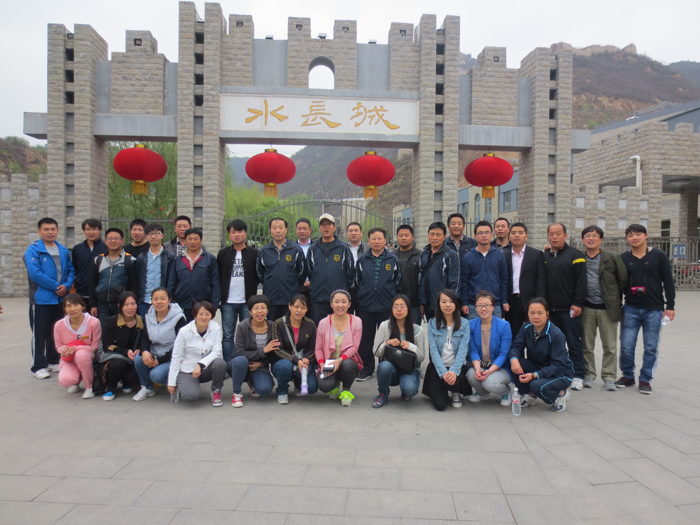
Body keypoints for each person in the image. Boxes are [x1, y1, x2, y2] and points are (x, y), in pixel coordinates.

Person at [616, 224, 675, 395]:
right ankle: (627, 375)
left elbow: (668, 281)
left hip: (654, 309)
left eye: (638, 234)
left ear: (646, 236)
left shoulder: (659, 256)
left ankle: (645, 378)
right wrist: (618, 307)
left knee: (651, 346)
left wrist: (670, 306)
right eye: (630, 235)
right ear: (626, 238)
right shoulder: (623, 258)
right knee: (626, 345)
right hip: (630, 308)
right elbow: (619, 285)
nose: (634, 238)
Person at [25, 218, 75, 378]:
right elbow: (35, 274)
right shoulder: (33, 251)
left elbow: (71, 270)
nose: (50, 232)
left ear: (57, 231)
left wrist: (66, 286)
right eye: (46, 229)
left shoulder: (63, 250)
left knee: (56, 331)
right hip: (41, 299)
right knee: (40, 333)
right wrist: (56, 287)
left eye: (53, 229)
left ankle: (53, 360)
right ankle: (38, 365)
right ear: (39, 231)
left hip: (59, 299)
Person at [580, 226, 628, 391]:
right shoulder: (579, 258)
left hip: (607, 309)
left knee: (610, 346)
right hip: (586, 308)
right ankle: (589, 374)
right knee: (586, 345)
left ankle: (609, 377)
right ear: (583, 239)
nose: (591, 238)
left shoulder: (612, 258)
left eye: (595, 236)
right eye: (587, 236)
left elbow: (622, 280)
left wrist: (614, 299)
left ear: (600, 239)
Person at [508, 297, 574, 412]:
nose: (536, 316)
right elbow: (516, 346)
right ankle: (529, 395)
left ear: (547, 314)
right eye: (532, 313)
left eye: (540, 313)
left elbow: (558, 365)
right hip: (539, 366)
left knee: (536, 386)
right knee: (513, 361)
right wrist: (514, 359)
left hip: (560, 373)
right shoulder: (526, 328)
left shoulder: (556, 334)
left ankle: (561, 394)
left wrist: (535, 375)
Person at [543, 223, 587, 390]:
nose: (554, 237)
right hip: (550, 310)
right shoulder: (545, 256)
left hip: (569, 309)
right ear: (548, 236)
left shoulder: (575, 255)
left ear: (565, 236)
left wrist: (578, 303)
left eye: (558, 233)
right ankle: (557, 372)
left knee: (573, 342)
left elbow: (581, 282)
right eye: (551, 233)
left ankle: (578, 375)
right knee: (552, 343)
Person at [355, 227, 401, 381]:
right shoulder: (362, 260)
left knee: (386, 338)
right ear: (369, 241)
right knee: (366, 339)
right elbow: (358, 281)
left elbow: (397, 281)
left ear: (385, 240)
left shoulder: (392, 259)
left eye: (379, 238)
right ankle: (366, 368)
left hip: (386, 305)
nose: (376, 241)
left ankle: (385, 368)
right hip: (366, 306)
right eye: (373, 239)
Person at [167, 301, 227, 406]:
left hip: (204, 369)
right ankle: (183, 384)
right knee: (192, 396)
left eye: (207, 314)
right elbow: (176, 357)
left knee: (220, 363)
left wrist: (200, 364)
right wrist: (171, 382)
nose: (204, 317)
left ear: (212, 315)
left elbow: (217, 351)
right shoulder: (184, 331)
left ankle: (216, 391)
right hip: (187, 370)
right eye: (201, 314)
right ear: (195, 315)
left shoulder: (215, 328)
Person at [132, 287, 187, 401]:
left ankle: (178, 382)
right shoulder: (148, 316)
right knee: (138, 358)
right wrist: (145, 351)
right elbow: (145, 338)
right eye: (155, 299)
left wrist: (159, 360)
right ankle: (147, 387)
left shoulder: (179, 317)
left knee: (156, 375)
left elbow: (180, 345)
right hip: (155, 353)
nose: (159, 302)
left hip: (172, 357)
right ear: (151, 300)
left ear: (169, 300)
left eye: (163, 298)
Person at [371, 294, 425, 408]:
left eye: (402, 306)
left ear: (408, 309)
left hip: (409, 370)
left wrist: (411, 346)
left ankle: (405, 389)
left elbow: (421, 358)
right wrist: (387, 343)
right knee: (384, 366)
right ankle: (383, 394)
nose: (399, 309)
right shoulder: (385, 326)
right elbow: (375, 352)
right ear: (391, 309)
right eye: (395, 306)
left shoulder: (417, 330)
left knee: (409, 389)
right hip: (391, 369)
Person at [217, 219, 260, 362]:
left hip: (248, 302)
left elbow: (259, 275)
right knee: (228, 335)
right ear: (229, 234)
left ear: (245, 233)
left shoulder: (254, 253)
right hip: (228, 302)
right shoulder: (223, 253)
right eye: (233, 232)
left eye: (240, 231)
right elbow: (218, 275)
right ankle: (229, 363)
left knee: (248, 334)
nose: (236, 235)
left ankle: (245, 362)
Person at [422, 289, 471, 411]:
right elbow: (433, 351)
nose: (448, 305)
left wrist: (453, 371)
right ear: (439, 304)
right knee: (440, 405)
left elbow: (463, 351)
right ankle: (442, 388)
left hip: (456, 368)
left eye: (451, 301)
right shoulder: (432, 323)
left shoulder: (464, 323)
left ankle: (455, 392)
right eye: (444, 302)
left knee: (453, 383)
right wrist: (444, 372)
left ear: (456, 304)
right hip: (438, 368)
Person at [315, 289, 363, 407]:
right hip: (329, 362)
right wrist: (321, 363)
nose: (340, 305)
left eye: (343, 302)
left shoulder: (356, 321)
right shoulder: (323, 323)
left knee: (348, 365)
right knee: (324, 386)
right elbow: (318, 348)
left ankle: (346, 390)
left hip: (346, 360)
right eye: (336, 302)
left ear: (349, 304)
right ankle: (334, 385)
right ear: (331, 304)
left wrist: (340, 360)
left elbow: (355, 347)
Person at [306, 214, 355, 325]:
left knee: (338, 328)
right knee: (318, 328)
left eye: (329, 224)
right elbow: (309, 271)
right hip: (318, 297)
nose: (326, 227)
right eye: (323, 225)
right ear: (319, 228)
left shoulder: (343, 248)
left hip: (338, 299)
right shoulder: (313, 249)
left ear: (334, 227)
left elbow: (350, 272)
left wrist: (342, 286)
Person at [466, 291, 513, 406]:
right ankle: (483, 393)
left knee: (489, 382)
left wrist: (490, 371)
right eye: (480, 305)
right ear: (475, 308)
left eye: (487, 305)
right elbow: (473, 350)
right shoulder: (470, 325)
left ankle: (506, 392)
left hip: (501, 367)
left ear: (493, 307)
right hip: (482, 364)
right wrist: (478, 369)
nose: (483, 309)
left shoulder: (504, 326)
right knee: (471, 375)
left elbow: (503, 354)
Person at [228, 295, 275, 407]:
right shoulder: (243, 326)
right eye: (256, 308)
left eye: (263, 308)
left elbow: (275, 352)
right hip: (239, 364)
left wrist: (261, 363)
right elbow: (240, 352)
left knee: (265, 389)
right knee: (241, 360)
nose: (260, 311)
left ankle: (252, 382)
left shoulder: (272, 326)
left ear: (268, 310)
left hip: (260, 365)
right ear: (250, 311)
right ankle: (236, 393)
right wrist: (263, 351)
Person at [271, 294, 318, 403]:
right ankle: (282, 390)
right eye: (296, 307)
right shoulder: (278, 324)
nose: (299, 310)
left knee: (312, 388)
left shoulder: (310, 325)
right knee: (284, 367)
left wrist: (306, 359)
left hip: (303, 359)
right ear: (289, 306)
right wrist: (296, 360)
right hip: (283, 361)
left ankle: (298, 382)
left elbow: (314, 348)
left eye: (303, 307)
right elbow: (277, 349)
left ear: (307, 309)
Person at [96, 291, 143, 401]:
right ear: (119, 306)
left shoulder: (142, 321)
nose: (130, 307)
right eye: (126, 304)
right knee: (119, 363)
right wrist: (125, 352)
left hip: (133, 358)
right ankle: (111, 387)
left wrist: (139, 350)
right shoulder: (111, 321)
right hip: (114, 357)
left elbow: (145, 341)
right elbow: (107, 344)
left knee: (136, 371)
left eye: (133, 304)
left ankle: (127, 381)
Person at [256, 218, 306, 320]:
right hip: (271, 298)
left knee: (289, 326)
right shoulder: (264, 251)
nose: (278, 231)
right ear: (270, 230)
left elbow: (302, 272)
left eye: (281, 227)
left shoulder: (295, 250)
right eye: (274, 228)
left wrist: (294, 285)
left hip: (290, 298)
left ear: (286, 230)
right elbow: (260, 273)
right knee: (272, 326)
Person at [53, 293, 101, 398]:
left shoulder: (94, 322)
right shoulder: (59, 325)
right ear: (64, 308)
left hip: (87, 356)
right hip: (70, 359)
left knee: (81, 355)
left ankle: (90, 386)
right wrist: (64, 350)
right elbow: (59, 346)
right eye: (68, 306)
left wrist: (75, 348)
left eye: (76, 305)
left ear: (83, 306)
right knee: (66, 380)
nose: (72, 309)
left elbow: (95, 347)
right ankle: (76, 381)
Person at [167, 228, 220, 323]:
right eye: (190, 239)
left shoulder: (209, 259)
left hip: (203, 304)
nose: (193, 242)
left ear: (201, 240)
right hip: (182, 304)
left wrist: (214, 305)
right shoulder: (178, 260)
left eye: (196, 239)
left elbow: (215, 283)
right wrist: (171, 302)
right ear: (185, 240)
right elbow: (171, 283)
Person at [503, 222, 546, 339]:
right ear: (509, 236)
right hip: (511, 302)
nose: (517, 235)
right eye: (513, 233)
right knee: (514, 335)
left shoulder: (536, 254)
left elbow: (541, 279)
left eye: (520, 233)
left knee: (533, 334)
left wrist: (540, 301)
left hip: (531, 300)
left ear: (526, 236)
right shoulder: (505, 255)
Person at [459, 221, 508, 320]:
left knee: (495, 329)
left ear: (492, 235)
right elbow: (464, 282)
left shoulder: (499, 255)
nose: (484, 235)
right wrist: (465, 302)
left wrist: (504, 300)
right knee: (474, 329)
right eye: (480, 233)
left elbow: (504, 280)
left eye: (487, 232)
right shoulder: (468, 257)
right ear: (475, 236)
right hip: (474, 305)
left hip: (495, 304)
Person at [88, 227, 137, 324]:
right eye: (110, 238)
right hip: (102, 306)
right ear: (105, 241)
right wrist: (93, 304)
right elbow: (92, 283)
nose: (113, 241)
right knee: (104, 331)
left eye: (116, 238)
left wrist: (130, 304)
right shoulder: (98, 260)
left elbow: (134, 285)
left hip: (121, 305)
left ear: (122, 241)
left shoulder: (130, 260)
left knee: (121, 330)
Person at [418, 222, 460, 321]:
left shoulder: (451, 255)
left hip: (445, 303)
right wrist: (422, 302)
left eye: (438, 235)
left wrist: (452, 302)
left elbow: (455, 281)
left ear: (444, 237)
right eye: (432, 234)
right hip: (428, 302)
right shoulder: (424, 254)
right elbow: (420, 280)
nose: (434, 238)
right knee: (432, 328)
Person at [135, 223, 176, 319]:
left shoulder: (170, 257)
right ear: (146, 237)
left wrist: (169, 297)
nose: (153, 236)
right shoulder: (141, 257)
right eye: (150, 234)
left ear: (162, 235)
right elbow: (138, 278)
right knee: (145, 326)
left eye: (156, 233)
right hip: (145, 300)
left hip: (163, 301)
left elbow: (172, 279)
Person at [71, 218, 107, 300]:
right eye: (88, 229)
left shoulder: (106, 248)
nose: (91, 232)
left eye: (94, 229)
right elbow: (75, 268)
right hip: (81, 291)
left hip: (101, 291)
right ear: (84, 231)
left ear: (100, 230)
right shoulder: (77, 249)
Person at [394, 224, 422, 323]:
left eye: (406, 235)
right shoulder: (392, 256)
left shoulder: (420, 255)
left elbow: (422, 280)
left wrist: (422, 302)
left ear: (412, 237)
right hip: (396, 302)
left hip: (414, 303)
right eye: (401, 235)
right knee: (396, 330)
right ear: (397, 237)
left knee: (413, 330)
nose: (403, 238)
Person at [346, 222, 369, 314]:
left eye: (356, 230)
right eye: (351, 231)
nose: (353, 233)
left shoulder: (368, 249)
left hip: (364, 291)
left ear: (361, 233)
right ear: (347, 234)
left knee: (363, 318)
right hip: (347, 291)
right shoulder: (342, 248)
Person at [296, 218, 313, 301]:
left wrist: (311, 281)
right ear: (296, 230)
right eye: (299, 229)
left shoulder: (316, 247)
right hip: (295, 289)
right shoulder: (291, 248)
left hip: (314, 288)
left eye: (304, 229)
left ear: (310, 230)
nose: (302, 231)